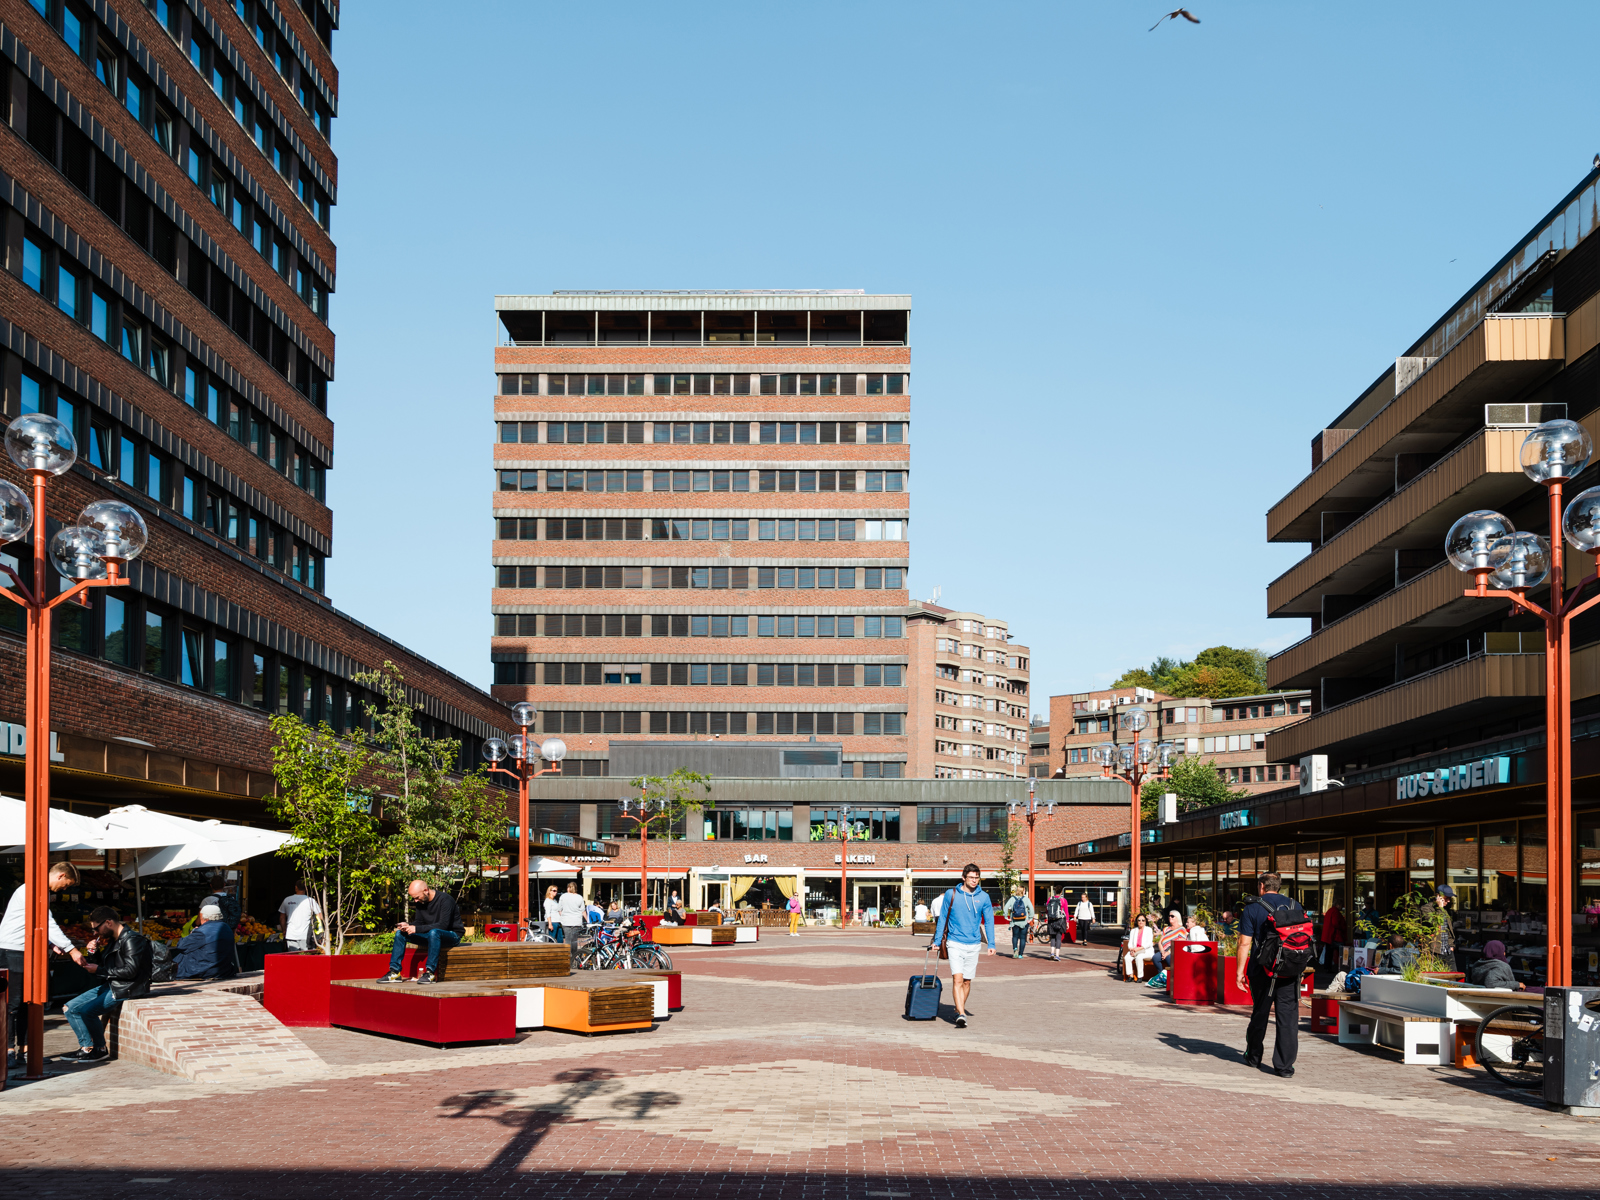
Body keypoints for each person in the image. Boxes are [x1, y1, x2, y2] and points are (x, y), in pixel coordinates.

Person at [2, 861, 88, 1069]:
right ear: (59, 876)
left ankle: (24, 1050)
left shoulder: (35, 889)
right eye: (66, 885)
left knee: (26, 1003)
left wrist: (50, 943)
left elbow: (35, 923)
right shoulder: (34, 890)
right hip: (12, 950)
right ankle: (8, 1052)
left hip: (24, 950)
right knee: (13, 1004)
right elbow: (47, 922)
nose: (65, 889)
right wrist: (71, 949)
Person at [62, 905, 152, 1062]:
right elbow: (106, 966)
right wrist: (93, 953)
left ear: (108, 922)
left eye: (96, 928)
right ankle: (86, 1048)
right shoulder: (113, 940)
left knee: (87, 1011)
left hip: (127, 987)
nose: (95, 933)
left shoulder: (132, 940)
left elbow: (130, 971)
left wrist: (98, 970)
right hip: (113, 984)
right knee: (69, 1008)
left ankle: (100, 1049)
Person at [1236, 873, 1301, 1078]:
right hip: (1290, 969)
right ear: (1279, 886)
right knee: (1288, 1017)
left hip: (1261, 969)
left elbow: (1244, 943)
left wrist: (1239, 972)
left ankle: (1254, 1056)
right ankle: (1284, 1067)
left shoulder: (1253, 907)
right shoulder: (1294, 905)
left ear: (1261, 886)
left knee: (1260, 1012)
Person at [928, 863, 995, 1029]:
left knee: (967, 981)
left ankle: (959, 1010)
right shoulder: (952, 894)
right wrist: (936, 941)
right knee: (957, 978)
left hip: (973, 944)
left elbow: (989, 921)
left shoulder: (984, 897)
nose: (974, 881)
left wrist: (991, 943)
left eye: (977, 878)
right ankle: (962, 1014)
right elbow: (942, 918)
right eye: (971, 877)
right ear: (963, 878)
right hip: (954, 942)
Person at [377, 880, 463, 985]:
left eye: (417, 897)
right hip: (431, 936)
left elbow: (443, 925)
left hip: (451, 935)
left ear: (426, 890)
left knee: (434, 932)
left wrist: (416, 929)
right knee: (401, 934)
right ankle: (395, 972)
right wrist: (408, 926)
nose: (416, 901)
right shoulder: (421, 902)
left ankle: (430, 973)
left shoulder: (445, 900)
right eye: (413, 898)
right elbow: (419, 922)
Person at [172, 904, 237, 980]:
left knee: (181, 956)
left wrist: (192, 933)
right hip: (223, 971)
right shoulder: (227, 928)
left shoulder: (201, 932)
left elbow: (181, 946)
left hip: (204, 971)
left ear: (204, 918)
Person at [278, 883, 321, 952]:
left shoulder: (287, 900)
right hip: (306, 935)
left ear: (296, 887)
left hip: (291, 934)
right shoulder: (311, 900)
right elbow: (319, 917)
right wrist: (318, 933)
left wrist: (284, 930)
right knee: (306, 958)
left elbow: (282, 917)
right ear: (306, 889)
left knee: (294, 959)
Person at [1431, 885, 1457, 967]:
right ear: (1438, 896)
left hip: (1448, 951)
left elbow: (1448, 929)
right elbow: (1434, 923)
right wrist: (1439, 908)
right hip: (1436, 952)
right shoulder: (1427, 909)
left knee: (1453, 976)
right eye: (1446, 898)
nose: (1448, 901)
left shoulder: (1445, 910)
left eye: (1450, 898)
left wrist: (1451, 945)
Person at [1005, 886, 1034, 959]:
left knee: (1015, 936)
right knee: (1023, 938)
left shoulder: (1012, 899)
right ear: (1023, 891)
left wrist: (1006, 917)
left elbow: (1005, 908)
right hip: (1024, 921)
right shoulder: (1026, 899)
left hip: (1014, 921)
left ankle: (1015, 948)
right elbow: (1031, 909)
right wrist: (1030, 919)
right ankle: (1020, 954)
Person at [1124, 913, 1155, 980]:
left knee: (1139, 957)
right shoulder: (1133, 931)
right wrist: (1131, 949)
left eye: (1143, 920)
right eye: (1139, 920)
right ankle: (1130, 975)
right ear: (1137, 921)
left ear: (1145, 921)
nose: (1141, 922)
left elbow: (1149, 943)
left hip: (1145, 951)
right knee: (1127, 957)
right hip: (1135, 950)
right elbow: (1130, 943)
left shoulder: (1148, 930)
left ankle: (1140, 976)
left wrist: (1138, 949)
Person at [1155, 909, 1186, 974]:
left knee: (1169, 957)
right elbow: (1160, 942)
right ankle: (1161, 976)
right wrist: (1162, 951)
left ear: (1177, 918)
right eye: (1169, 916)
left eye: (1172, 916)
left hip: (1175, 951)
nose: (1170, 917)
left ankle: (1173, 976)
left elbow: (1180, 943)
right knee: (1155, 958)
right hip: (1164, 950)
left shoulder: (1181, 929)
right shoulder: (1166, 929)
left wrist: (1168, 952)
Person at [1319, 900, 1347, 969]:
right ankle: (1340, 966)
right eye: (1341, 905)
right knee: (1340, 951)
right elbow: (1335, 923)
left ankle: (1328, 967)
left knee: (1329, 952)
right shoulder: (1335, 912)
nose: (1342, 907)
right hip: (1334, 936)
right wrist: (1342, 927)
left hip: (1329, 935)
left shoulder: (1330, 911)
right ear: (1338, 905)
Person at [1045, 891, 1068, 961]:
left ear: (1055, 892)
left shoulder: (1050, 899)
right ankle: (1057, 955)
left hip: (1051, 920)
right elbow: (1066, 911)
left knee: (1052, 937)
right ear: (1061, 892)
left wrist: (1047, 917)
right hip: (1060, 920)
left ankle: (1052, 953)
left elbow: (1047, 909)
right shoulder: (1063, 900)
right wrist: (1067, 922)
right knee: (1058, 938)